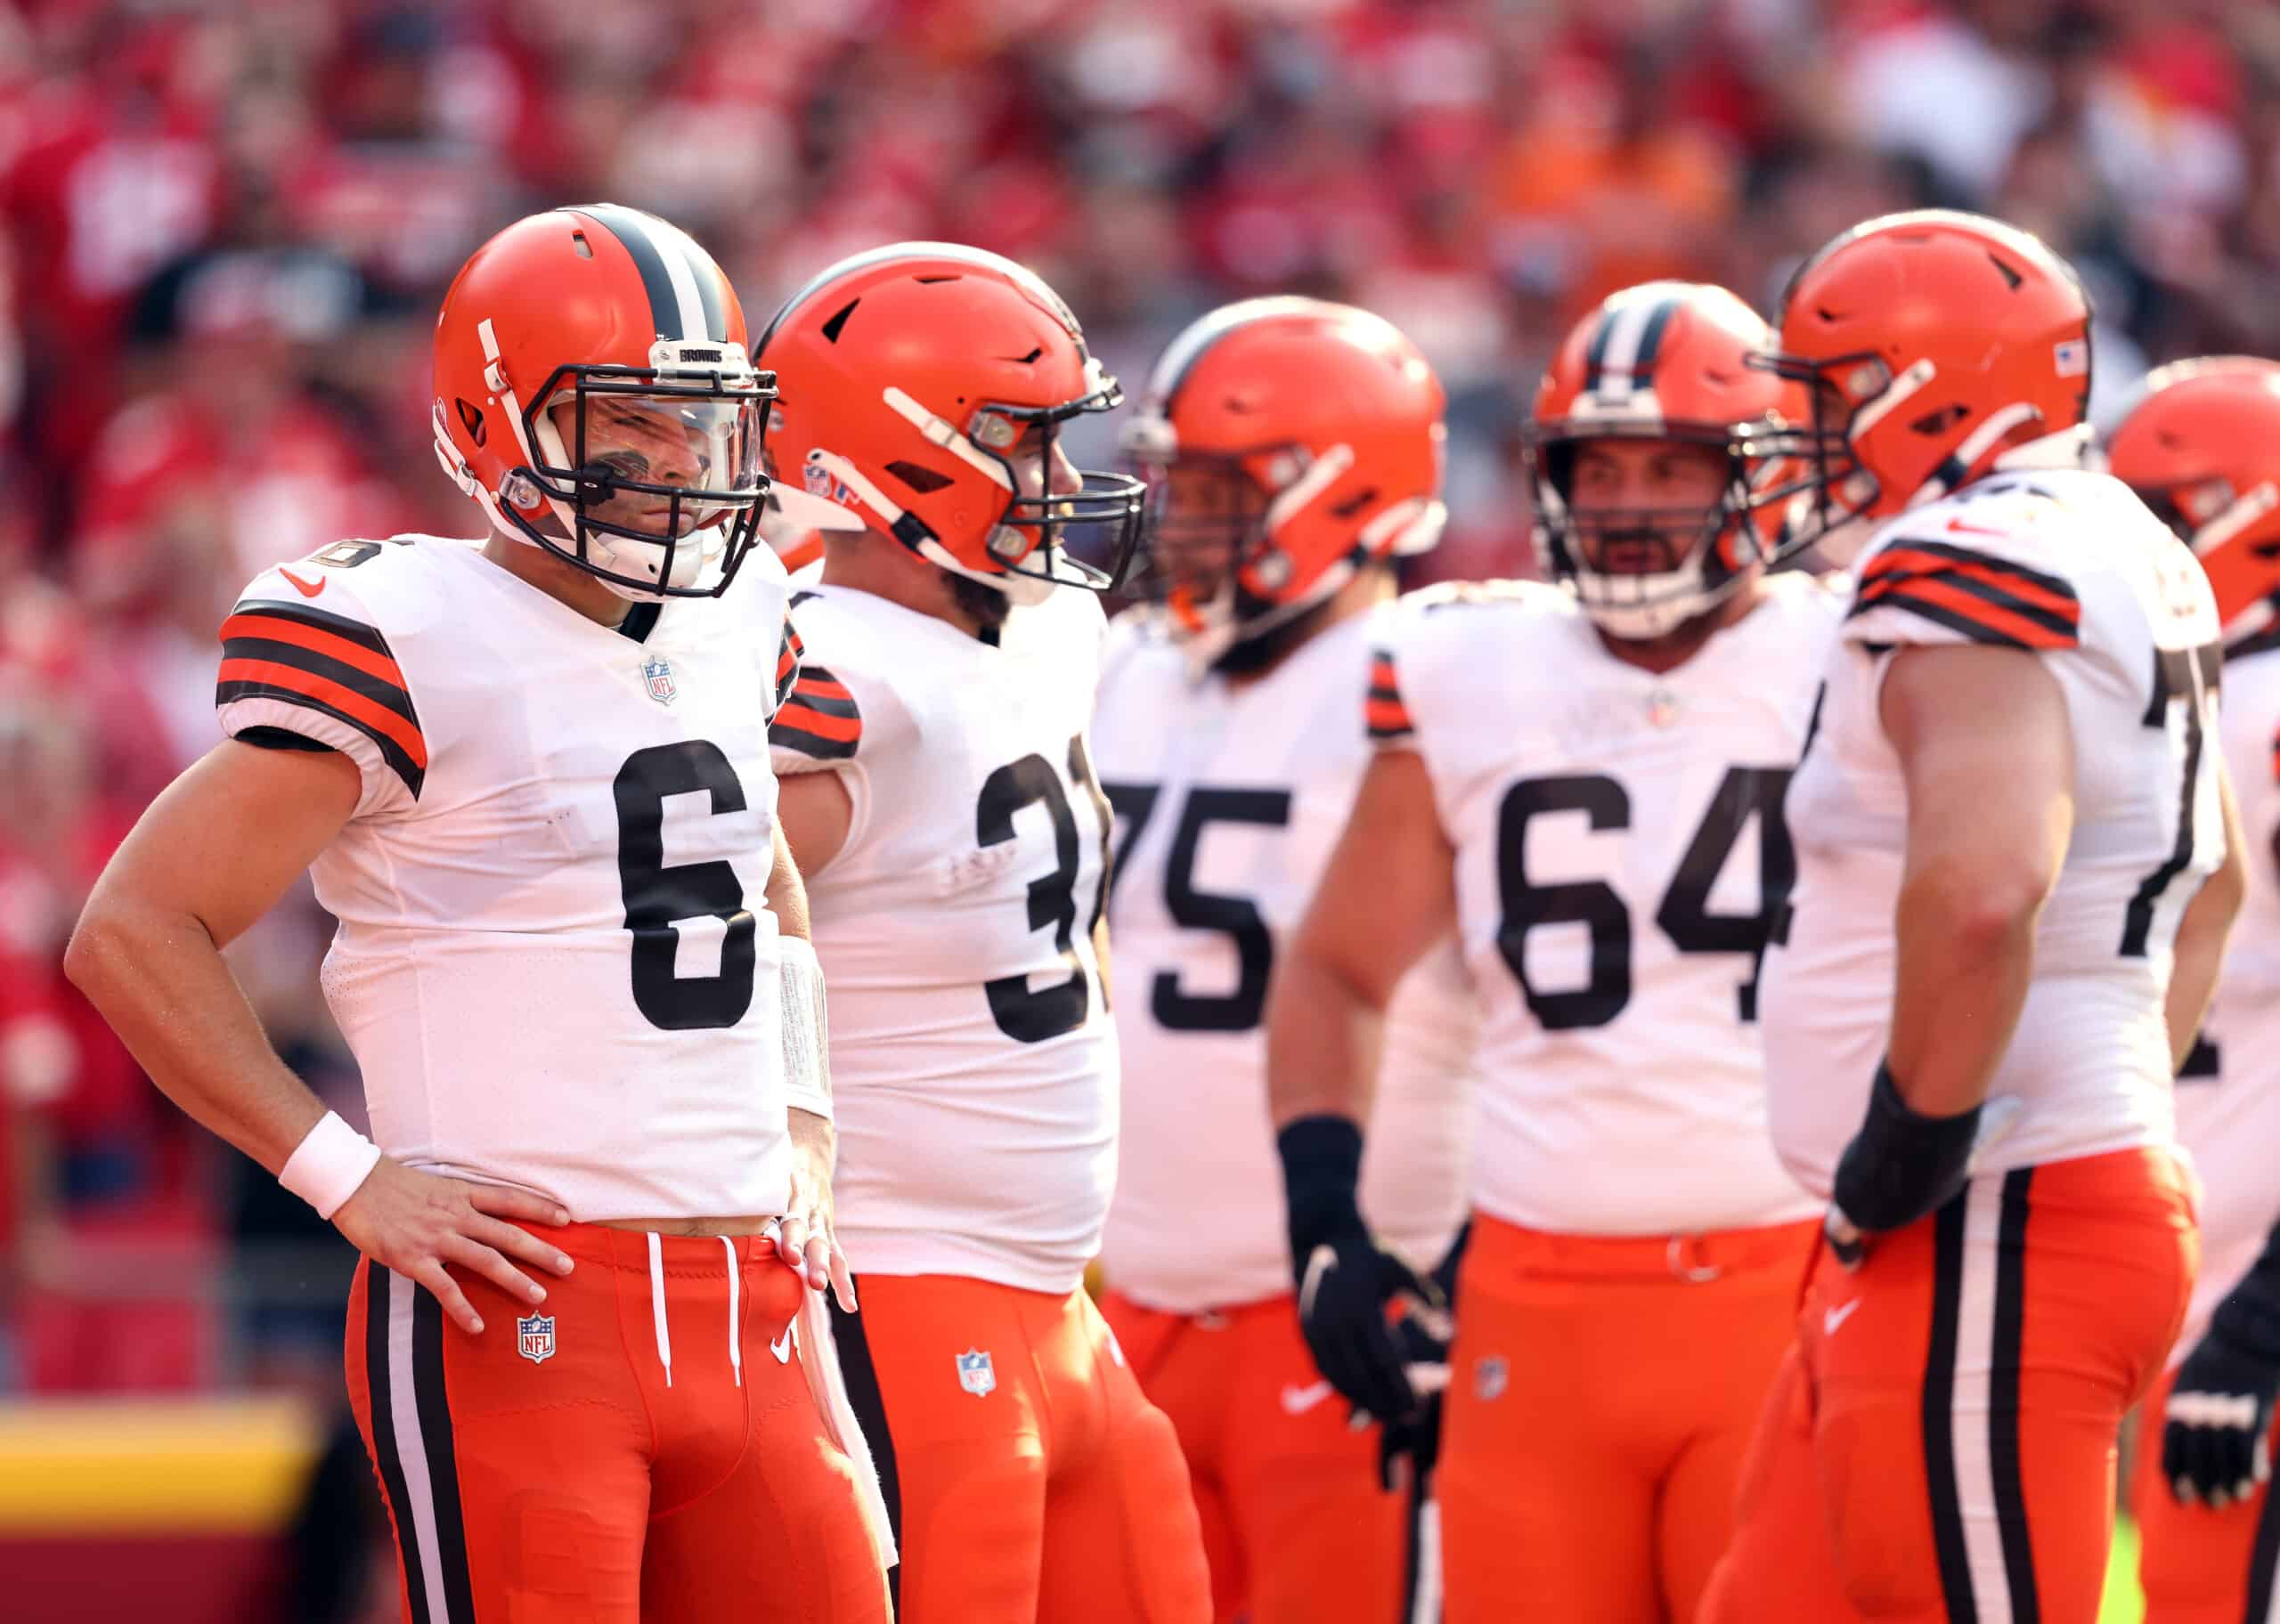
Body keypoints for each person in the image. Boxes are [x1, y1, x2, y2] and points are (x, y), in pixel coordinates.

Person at [63, 204, 894, 1624]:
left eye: (707, 424)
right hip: (519, 1305)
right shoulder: (410, 628)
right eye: (639, 425)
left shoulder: (742, 614)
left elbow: (767, 876)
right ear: (501, 428)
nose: (688, 467)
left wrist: (806, 1114)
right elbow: (131, 931)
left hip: (758, 1294)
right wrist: (346, 1177)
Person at [1701, 210, 2248, 1624]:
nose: (1798, 433)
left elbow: (1988, 886)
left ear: (1926, 389)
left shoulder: (1967, 553)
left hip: (1991, 1219)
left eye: (1824, 394)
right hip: (2019, 1204)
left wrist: (1914, 1144)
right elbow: (2218, 886)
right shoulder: (2119, 535)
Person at [1265, 280, 1836, 1624]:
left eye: (1675, 467)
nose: (1632, 504)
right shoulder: (1471, 664)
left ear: (1759, 476)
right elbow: (1339, 967)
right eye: (1604, 466)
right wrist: (1326, 1221)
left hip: (1786, 1274)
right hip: (1532, 1300)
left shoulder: (1853, 653)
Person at [756, 240, 1212, 1624]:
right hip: (895, 1294)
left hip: (1060, 1301)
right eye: (1026, 444)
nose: (1066, 486)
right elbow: (675, 941)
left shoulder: (1048, 626)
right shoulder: (831, 678)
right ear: (901, 462)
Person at [1090, 296, 1475, 1624]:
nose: (1178, 522)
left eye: (1217, 490)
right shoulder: (1125, 668)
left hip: (1352, 1295)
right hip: (1126, 1292)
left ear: (1341, 489)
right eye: (1174, 484)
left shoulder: (1437, 675)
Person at [2105, 356, 2280, 1624]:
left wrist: (2271, 1313)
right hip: (2161, 1288)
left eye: (2166, 515)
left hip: (2250, 1302)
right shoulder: (2162, 705)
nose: (2134, 553)